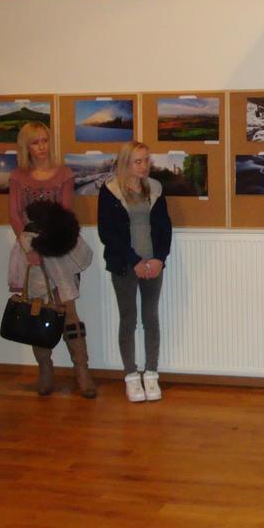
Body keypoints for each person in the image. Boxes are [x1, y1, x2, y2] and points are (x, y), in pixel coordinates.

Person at [8, 122, 96, 398]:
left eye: (45, 140)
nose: (42, 147)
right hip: (31, 251)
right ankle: (45, 369)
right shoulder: (18, 176)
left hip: (60, 249)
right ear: (26, 146)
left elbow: (65, 213)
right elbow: (15, 215)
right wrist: (30, 250)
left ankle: (81, 370)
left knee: (68, 310)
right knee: (38, 309)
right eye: (35, 142)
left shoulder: (63, 173)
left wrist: (50, 243)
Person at [98, 141, 172, 403]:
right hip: (125, 265)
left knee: (151, 317)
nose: (144, 166)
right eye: (138, 161)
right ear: (125, 163)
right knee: (128, 319)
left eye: (146, 160)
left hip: (153, 264)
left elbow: (164, 227)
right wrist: (134, 261)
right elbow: (108, 234)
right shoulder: (110, 191)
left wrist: (159, 259)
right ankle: (131, 376)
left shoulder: (155, 188)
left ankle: (151, 373)